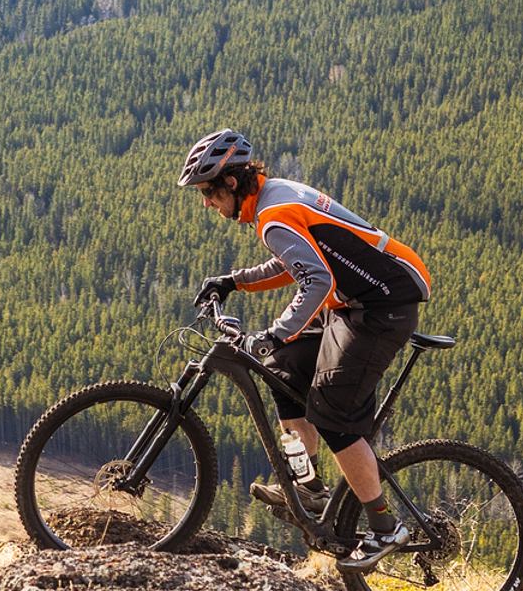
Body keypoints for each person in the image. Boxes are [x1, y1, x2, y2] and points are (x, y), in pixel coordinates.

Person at [178, 128, 430, 549]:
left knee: (334, 415)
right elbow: (296, 264)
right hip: (354, 301)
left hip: (384, 305)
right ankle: (310, 490)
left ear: (232, 183)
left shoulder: (273, 215)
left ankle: (387, 528)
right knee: (283, 368)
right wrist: (233, 282)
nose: (206, 203)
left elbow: (315, 278)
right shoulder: (272, 197)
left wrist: (275, 333)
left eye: (208, 192)